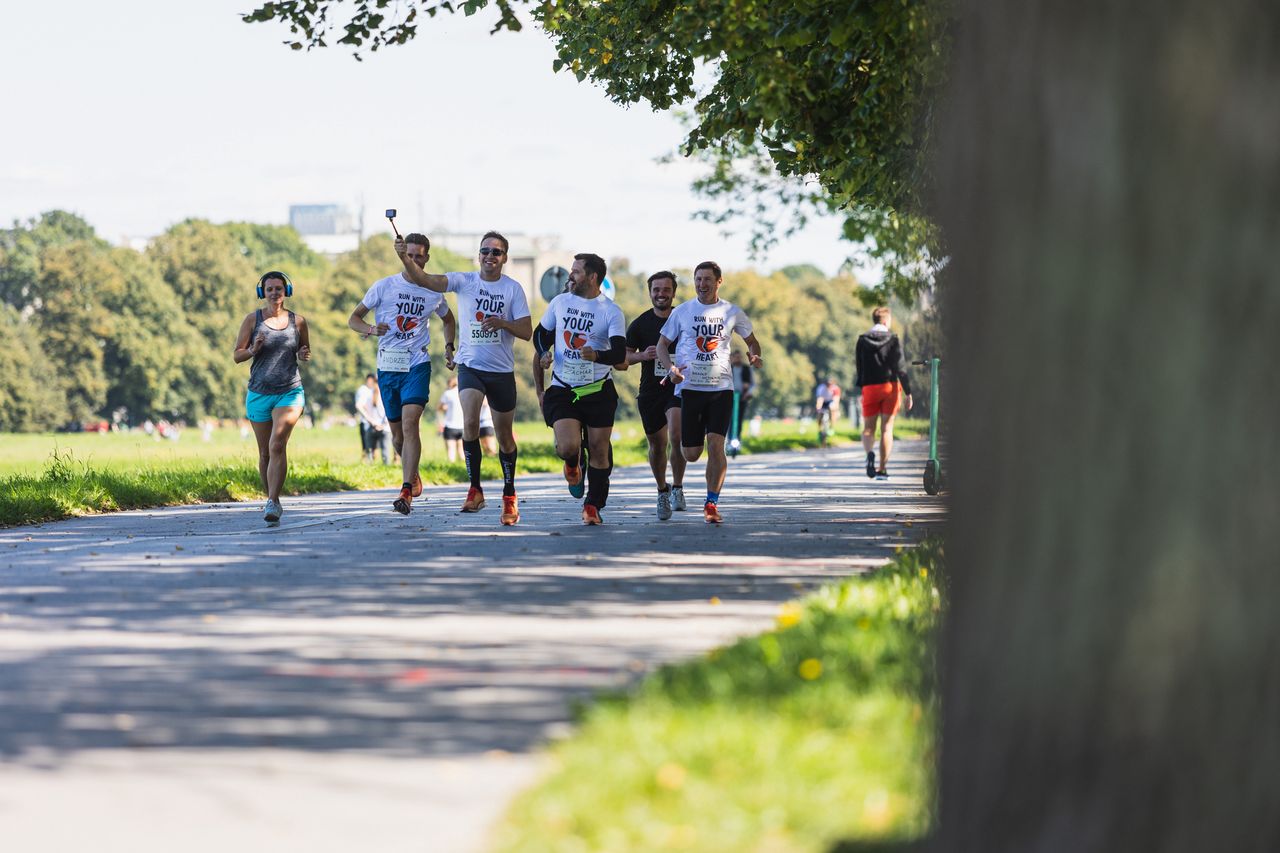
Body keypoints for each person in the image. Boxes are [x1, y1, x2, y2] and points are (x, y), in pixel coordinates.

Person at [395, 231, 531, 525]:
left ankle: (509, 495)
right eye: (485, 251)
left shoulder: (513, 289)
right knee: (469, 421)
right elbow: (426, 280)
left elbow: (526, 331)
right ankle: (475, 489)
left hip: (501, 372)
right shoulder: (464, 281)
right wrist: (405, 258)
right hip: (470, 365)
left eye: (496, 252)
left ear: (504, 258)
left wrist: (502, 323)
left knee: (504, 436)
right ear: (478, 254)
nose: (489, 257)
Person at [348, 233, 457, 515]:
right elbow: (354, 319)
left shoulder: (433, 291)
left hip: (417, 366)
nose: (413, 260)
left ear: (426, 258)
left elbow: (448, 319)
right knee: (397, 437)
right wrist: (371, 330)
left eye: (419, 256)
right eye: (409, 255)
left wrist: (448, 345)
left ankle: (406, 489)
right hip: (388, 369)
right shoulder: (384, 286)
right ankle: (414, 472)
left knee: (410, 425)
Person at [657, 261, 763, 524]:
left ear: (719, 282)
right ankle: (690, 462)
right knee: (691, 453)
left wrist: (754, 355)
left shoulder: (731, 312)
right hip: (691, 388)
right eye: (697, 279)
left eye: (706, 279)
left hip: (721, 389)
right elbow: (662, 345)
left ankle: (711, 503)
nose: (701, 284)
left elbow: (751, 340)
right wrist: (671, 368)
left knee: (717, 446)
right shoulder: (682, 311)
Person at [534, 253, 628, 525]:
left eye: (575, 272)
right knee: (567, 446)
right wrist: (544, 352)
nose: (570, 276)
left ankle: (593, 506)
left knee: (599, 449)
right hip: (564, 388)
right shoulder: (560, 302)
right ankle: (573, 463)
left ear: (592, 277)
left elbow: (620, 353)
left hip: (598, 390)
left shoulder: (610, 311)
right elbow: (540, 334)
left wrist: (597, 356)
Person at [233, 271, 312, 525]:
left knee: (277, 444)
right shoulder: (251, 319)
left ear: (286, 291)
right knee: (265, 453)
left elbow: (304, 349)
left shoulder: (298, 321)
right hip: (259, 392)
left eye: (279, 288)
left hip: (289, 391)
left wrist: (304, 353)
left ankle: (272, 501)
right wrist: (253, 350)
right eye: (270, 289)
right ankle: (273, 499)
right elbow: (237, 355)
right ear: (262, 293)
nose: (275, 293)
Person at [625, 270, 687, 519]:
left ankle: (678, 488)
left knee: (677, 434)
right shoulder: (640, 324)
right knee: (657, 445)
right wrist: (643, 355)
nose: (661, 294)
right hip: (651, 391)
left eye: (666, 290)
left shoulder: (685, 318)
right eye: (656, 290)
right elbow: (624, 358)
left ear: (673, 292)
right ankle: (663, 490)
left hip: (679, 387)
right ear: (650, 292)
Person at [855, 306, 913, 480]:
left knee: (868, 429)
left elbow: (860, 367)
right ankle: (882, 469)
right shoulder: (893, 339)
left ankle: (869, 454)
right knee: (887, 429)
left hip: (870, 388)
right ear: (887, 321)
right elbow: (901, 368)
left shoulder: (862, 340)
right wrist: (908, 392)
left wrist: (861, 388)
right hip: (890, 387)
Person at [355, 374, 390, 463]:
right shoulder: (386, 394)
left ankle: (371, 471)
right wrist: (384, 423)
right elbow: (390, 409)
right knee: (385, 456)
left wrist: (370, 420)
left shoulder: (368, 393)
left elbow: (358, 405)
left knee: (369, 455)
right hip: (385, 428)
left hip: (371, 427)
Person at [729, 350, 756, 449]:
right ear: (731, 358)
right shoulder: (728, 368)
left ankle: (737, 441)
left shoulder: (746, 369)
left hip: (742, 397)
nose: (738, 359)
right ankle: (729, 441)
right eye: (735, 357)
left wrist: (748, 393)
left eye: (739, 357)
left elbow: (753, 384)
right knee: (729, 420)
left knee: (739, 420)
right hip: (729, 397)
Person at [438, 375, 464, 463]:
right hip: (462, 426)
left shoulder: (447, 393)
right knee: (461, 451)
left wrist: (445, 407)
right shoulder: (463, 392)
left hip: (450, 426)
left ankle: (452, 468)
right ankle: (465, 472)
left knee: (451, 451)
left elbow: (439, 408)